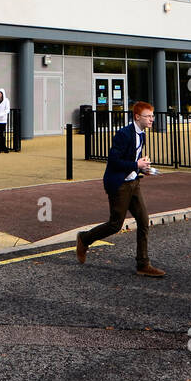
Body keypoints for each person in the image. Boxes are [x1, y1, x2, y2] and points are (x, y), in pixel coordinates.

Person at [76, 101, 165, 277]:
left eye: (152, 116)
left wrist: (142, 168)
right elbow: (113, 161)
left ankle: (143, 264)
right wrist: (135, 164)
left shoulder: (142, 134)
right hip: (119, 184)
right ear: (137, 117)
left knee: (143, 221)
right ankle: (84, 238)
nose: (152, 119)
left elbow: (133, 159)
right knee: (115, 224)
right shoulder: (123, 134)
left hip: (134, 182)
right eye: (148, 116)